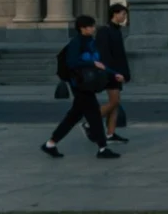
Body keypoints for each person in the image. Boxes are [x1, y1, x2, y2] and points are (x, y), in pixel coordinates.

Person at [44, 14, 121, 160]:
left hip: (86, 84)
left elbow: (98, 63)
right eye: (91, 26)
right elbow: (72, 63)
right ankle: (103, 148)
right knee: (94, 116)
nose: (93, 28)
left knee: (73, 116)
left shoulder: (90, 41)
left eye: (93, 25)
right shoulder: (76, 43)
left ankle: (50, 144)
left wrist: (113, 74)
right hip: (79, 84)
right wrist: (91, 64)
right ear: (82, 28)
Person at [98, 4, 131, 143]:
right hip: (111, 72)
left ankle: (110, 134)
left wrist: (125, 73)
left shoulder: (117, 30)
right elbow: (105, 55)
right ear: (114, 14)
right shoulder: (105, 31)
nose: (124, 17)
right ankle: (90, 120)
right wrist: (112, 73)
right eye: (123, 14)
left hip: (118, 72)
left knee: (116, 104)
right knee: (114, 101)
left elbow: (120, 55)